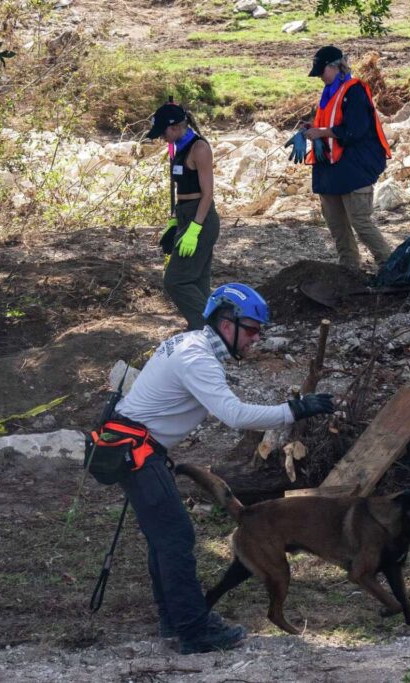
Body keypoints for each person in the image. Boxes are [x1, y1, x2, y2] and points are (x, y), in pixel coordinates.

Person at [111, 283, 335, 654]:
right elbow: (233, 415)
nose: (255, 339)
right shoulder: (196, 357)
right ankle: (194, 630)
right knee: (176, 539)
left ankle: (175, 621)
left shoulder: (191, 344)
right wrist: (293, 410)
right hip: (137, 453)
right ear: (225, 322)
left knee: (166, 540)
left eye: (259, 331)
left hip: (138, 450)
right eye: (250, 329)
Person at [295, 45, 392, 271]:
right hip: (330, 169)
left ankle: (389, 265)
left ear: (336, 66)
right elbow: (331, 123)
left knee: (360, 222)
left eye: (322, 72)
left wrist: (321, 132)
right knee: (337, 226)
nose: (320, 77)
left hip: (355, 167)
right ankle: (349, 270)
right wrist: (312, 128)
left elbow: (355, 130)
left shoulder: (355, 90)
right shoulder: (330, 93)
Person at [147, 101, 219, 331]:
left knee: (175, 280)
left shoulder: (199, 148)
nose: (162, 138)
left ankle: (213, 328)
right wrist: (175, 221)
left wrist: (194, 229)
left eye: (163, 133)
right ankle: (200, 329)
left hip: (202, 217)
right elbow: (184, 189)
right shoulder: (179, 146)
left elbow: (207, 194)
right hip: (186, 215)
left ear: (176, 127)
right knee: (198, 280)